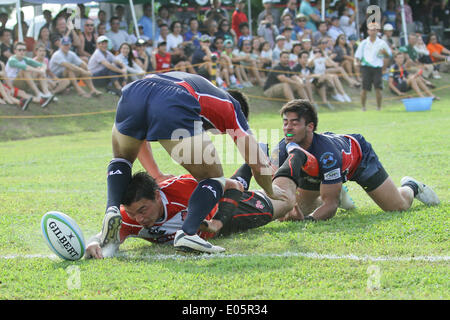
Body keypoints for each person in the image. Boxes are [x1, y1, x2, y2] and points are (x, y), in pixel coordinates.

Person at [98, 72, 285, 256]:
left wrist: (157, 174)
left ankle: (112, 209)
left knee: (121, 160)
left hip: (134, 91)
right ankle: (188, 233)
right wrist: (270, 190)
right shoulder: (232, 107)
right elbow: (257, 163)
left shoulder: (201, 88)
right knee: (213, 177)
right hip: (174, 98)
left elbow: (140, 138)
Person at [85, 146, 302, 259]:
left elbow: (232, 188)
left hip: (235, 211)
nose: (139, 219)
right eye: (133, 214)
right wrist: (94, 242)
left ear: (157, 194)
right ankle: (260, 154)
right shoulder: (130, 217)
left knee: (286, 200)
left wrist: (216, 223)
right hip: (219, 211)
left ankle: (293, 154)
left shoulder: (184, 187)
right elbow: (108, 239)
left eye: (143, 209)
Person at [271, 99, 440, 222]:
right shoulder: (282, 149)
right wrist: (292, 208)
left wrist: (308, 221)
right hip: (322, 169)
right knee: (292, 214)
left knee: (398, 206)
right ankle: (334, 187)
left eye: (294, 123)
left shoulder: (326, 155)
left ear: (310, 126)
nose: (287, 128)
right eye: (285, 123)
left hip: (359, 159)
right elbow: (280, 189)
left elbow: (331, 207)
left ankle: (412, 186)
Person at [354, 22, 392, 111]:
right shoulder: (363, 43)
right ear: (368, 31)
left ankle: (379, 107)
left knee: (378, 88)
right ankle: (363, 107)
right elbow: (357, 56)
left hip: (377, 67)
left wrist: (384, 53)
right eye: (371, 30)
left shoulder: (382, 43)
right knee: (364, 89)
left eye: (375, 30)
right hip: (366, 67)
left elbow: (389, 55)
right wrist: (357, 66)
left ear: (377, 31)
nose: (373, 32)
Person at [4, 42, 54, 108]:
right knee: (25, 70)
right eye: (19, 50)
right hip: (12, 84)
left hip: (23, 83)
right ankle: (38, 93)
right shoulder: (12, 60)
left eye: (24, 50)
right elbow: (26, 67)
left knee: (38, 70)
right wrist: (40, 70)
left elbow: (43, 65)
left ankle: (46, 93)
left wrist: (42, 70)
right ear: (15, 51)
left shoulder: (25, 59)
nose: (22, 52)